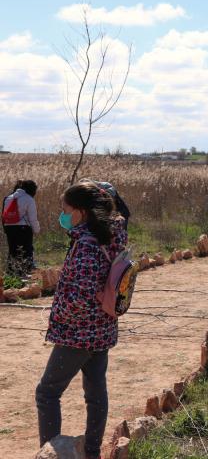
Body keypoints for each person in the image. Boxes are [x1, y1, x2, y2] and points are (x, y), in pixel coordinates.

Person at [36, 181, 128, 459]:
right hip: (102, 329)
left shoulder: (87, 245)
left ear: (81, 212)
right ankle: (91, 451)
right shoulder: (111, 236)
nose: (62, 215)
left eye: (65, 209)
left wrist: (60, 316)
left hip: (77, 334)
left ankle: (53, 453)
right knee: (95, 391)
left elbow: (81, 296)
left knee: (47, 393)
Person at [2, 180, 40, 277]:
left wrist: (6, 229)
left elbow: (3, 215)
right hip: (23, 228)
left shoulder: (8, 198)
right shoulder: (28, 199)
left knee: (12, 250)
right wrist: (36, 230)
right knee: (26, 250)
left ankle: (11, 273)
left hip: (9, 227)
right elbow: (33, 218)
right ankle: (24, 273)